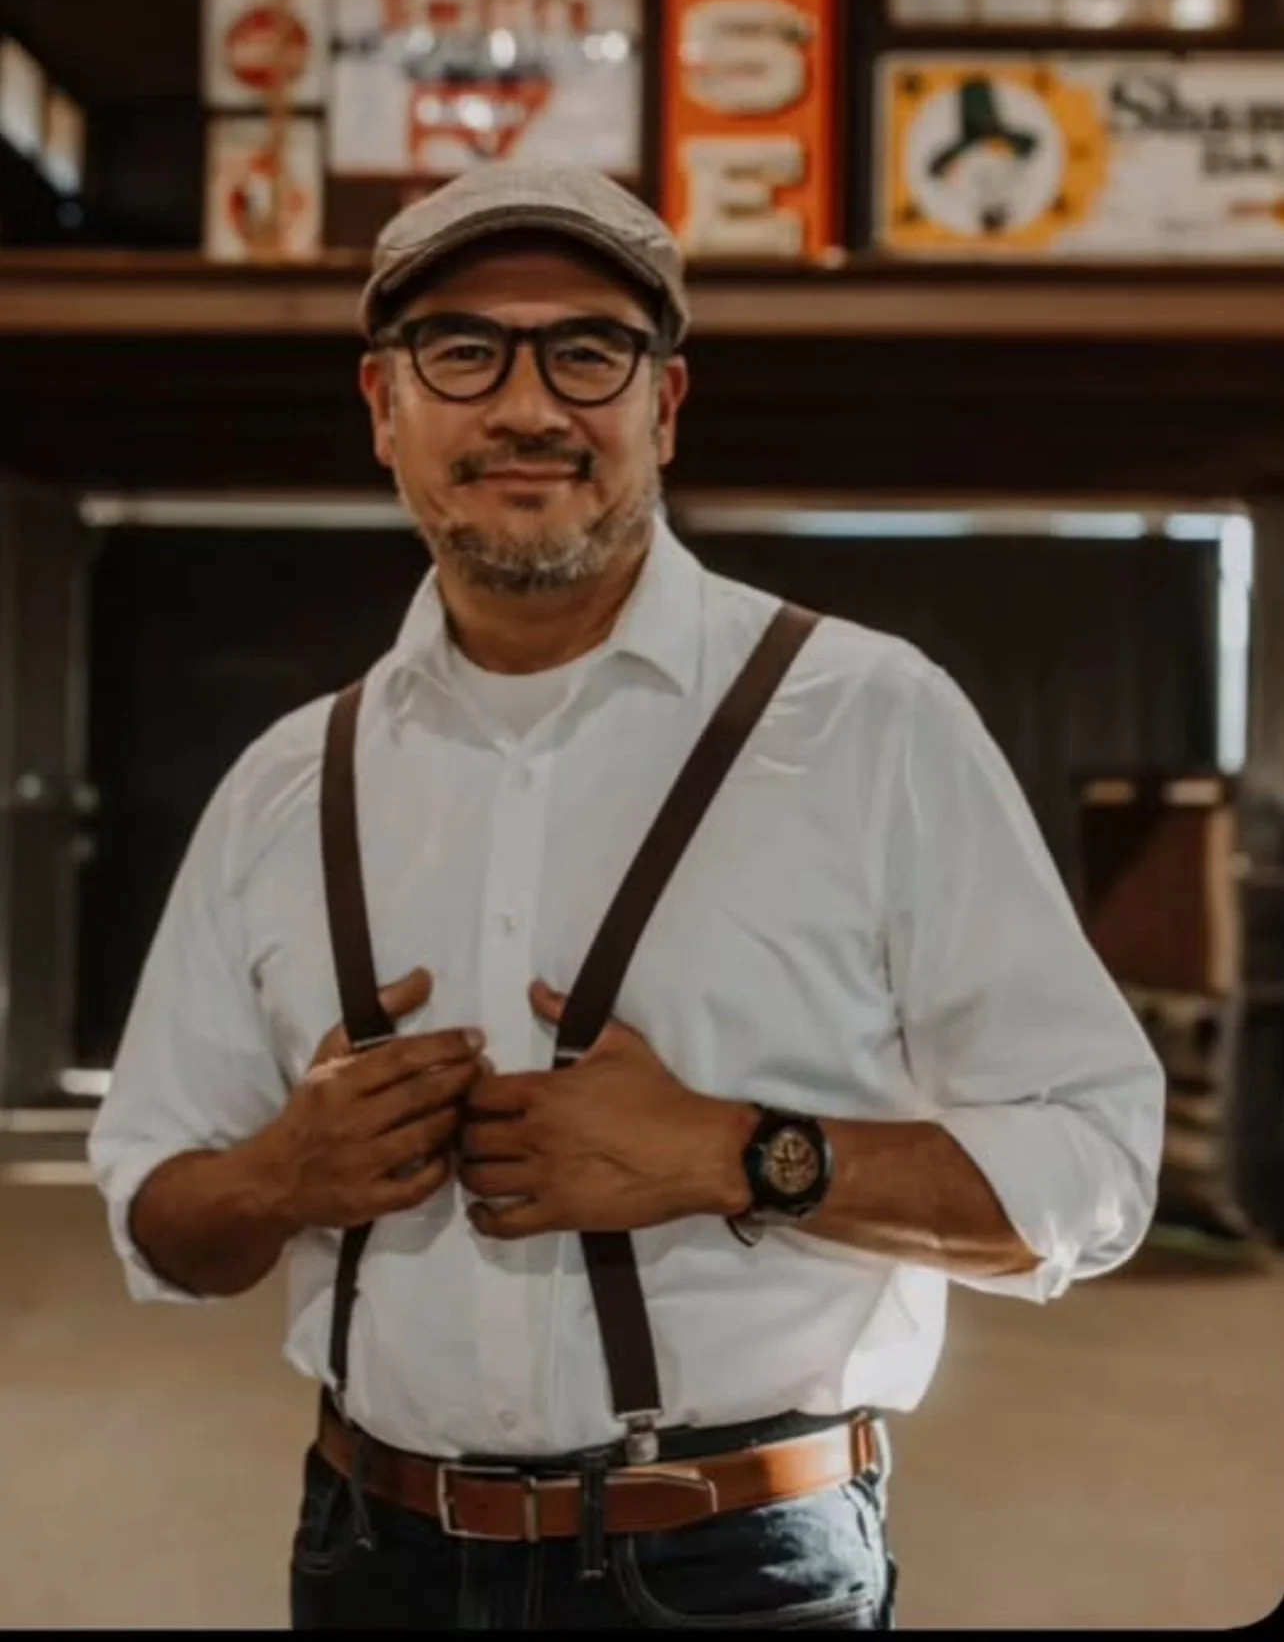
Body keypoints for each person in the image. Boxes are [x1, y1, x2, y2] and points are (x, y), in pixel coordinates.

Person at [89, 163, 1165, 1632]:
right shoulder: (289, 783)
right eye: (463, 350)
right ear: (383, 407)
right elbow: (156, 1210)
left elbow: (1097, 1163)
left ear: (662, 404)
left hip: (737, 1570)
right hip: (371, 1556)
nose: (528, 405)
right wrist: (285, 1175)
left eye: (586, 350)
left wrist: (742, 1155)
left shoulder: (869, 722)